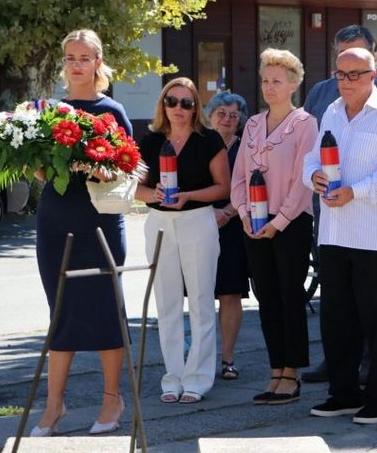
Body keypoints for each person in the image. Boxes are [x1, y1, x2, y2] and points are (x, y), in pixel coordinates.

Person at [32, 29, 132, 437]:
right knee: (60, 312)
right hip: (55, 222)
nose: (76, 65)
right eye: (71, 58)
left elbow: (127, 168)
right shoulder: (49, 111)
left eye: (84, 58)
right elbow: (41, 172)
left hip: (98, 224)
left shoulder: (112, 111)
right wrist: (37, 162)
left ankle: (112, 400)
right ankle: (54, 404)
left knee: (105, 311)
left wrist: (96, 167)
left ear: (98, 62)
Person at [304, 47, 377, 424]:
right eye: (341, 74)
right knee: (336, 319)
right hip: (333, 232)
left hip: (373, 234)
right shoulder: (332, 111)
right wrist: (314, 176)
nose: (346, 81)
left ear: (372, 75)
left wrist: (357, 191)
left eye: (355, 74)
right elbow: (312, 157)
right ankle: (343, 394)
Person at [230, 48, 317, 405]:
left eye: (277, 81)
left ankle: (292, 373)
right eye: (265, 81)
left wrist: (278, 222)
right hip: (254, 223)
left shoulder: (305, 124)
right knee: (266, 297)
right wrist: (244, 213)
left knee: (289, 296)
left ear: (293, 84)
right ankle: (275, 370)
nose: (269, 87)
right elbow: (238, 177)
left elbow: (303, 181)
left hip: (291, 224)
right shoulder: (252, 124)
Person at [136, 77, 229, 404]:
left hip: (198, 221)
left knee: (201, 302)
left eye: (186, 103)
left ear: (195, 107)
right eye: (171, 101)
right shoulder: (150, 141)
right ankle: (172, 378)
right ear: (163, 105)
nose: (178, 108)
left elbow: (223, 187)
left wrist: (188, 195)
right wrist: (155, 194)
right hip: (159, 223)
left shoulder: (209, 140)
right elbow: (136, 188)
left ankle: (198, 379)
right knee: (167, 304)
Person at [204, 91, 250, 380]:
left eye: (234, 115)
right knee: (199, 295)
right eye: (221, 113)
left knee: (230, 293)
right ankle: (201, 359)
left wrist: (227, 212)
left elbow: (251, 185)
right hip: (199, 222)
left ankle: (228, 358)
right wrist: (208, 212)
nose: (227, 119)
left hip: (233, 227)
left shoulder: (245, 147)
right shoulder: (199, 144)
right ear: (210, 116)